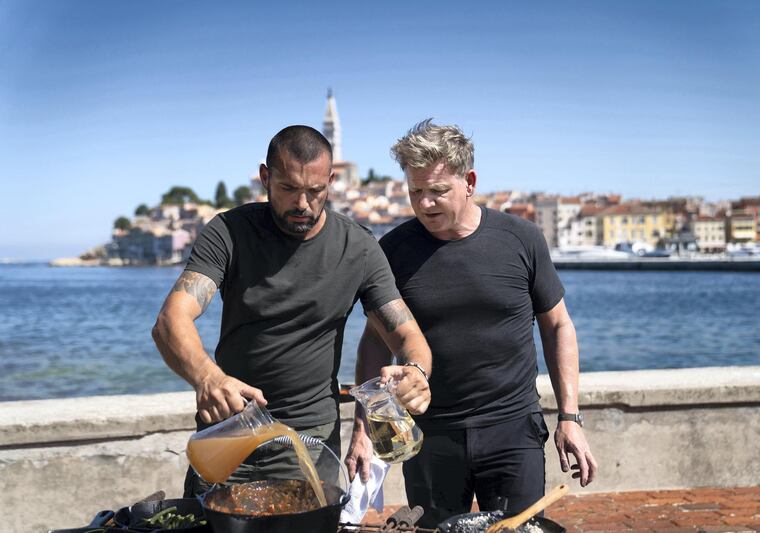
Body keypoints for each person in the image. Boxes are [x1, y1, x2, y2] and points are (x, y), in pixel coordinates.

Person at [152, 125, 431, 496]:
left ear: (331, 181)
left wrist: (415, 372)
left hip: (310, 444)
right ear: (265, 177)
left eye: (316, 191)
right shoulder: (229, 232)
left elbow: (408, 336)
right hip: (227, 433)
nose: (303, 204)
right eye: (288, 189)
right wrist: (209, 378)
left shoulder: (359, 248)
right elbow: (171, 320)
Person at [346, 120, 597, 527]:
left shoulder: (522, 239)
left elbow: (558, 328)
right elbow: (375, 342)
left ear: (470, 181)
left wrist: (569, 418)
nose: (425, 204)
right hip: (429, 436)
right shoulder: (391, 251)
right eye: (416, 192)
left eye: (438, 191)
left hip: (513, 430)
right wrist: (363, 427)